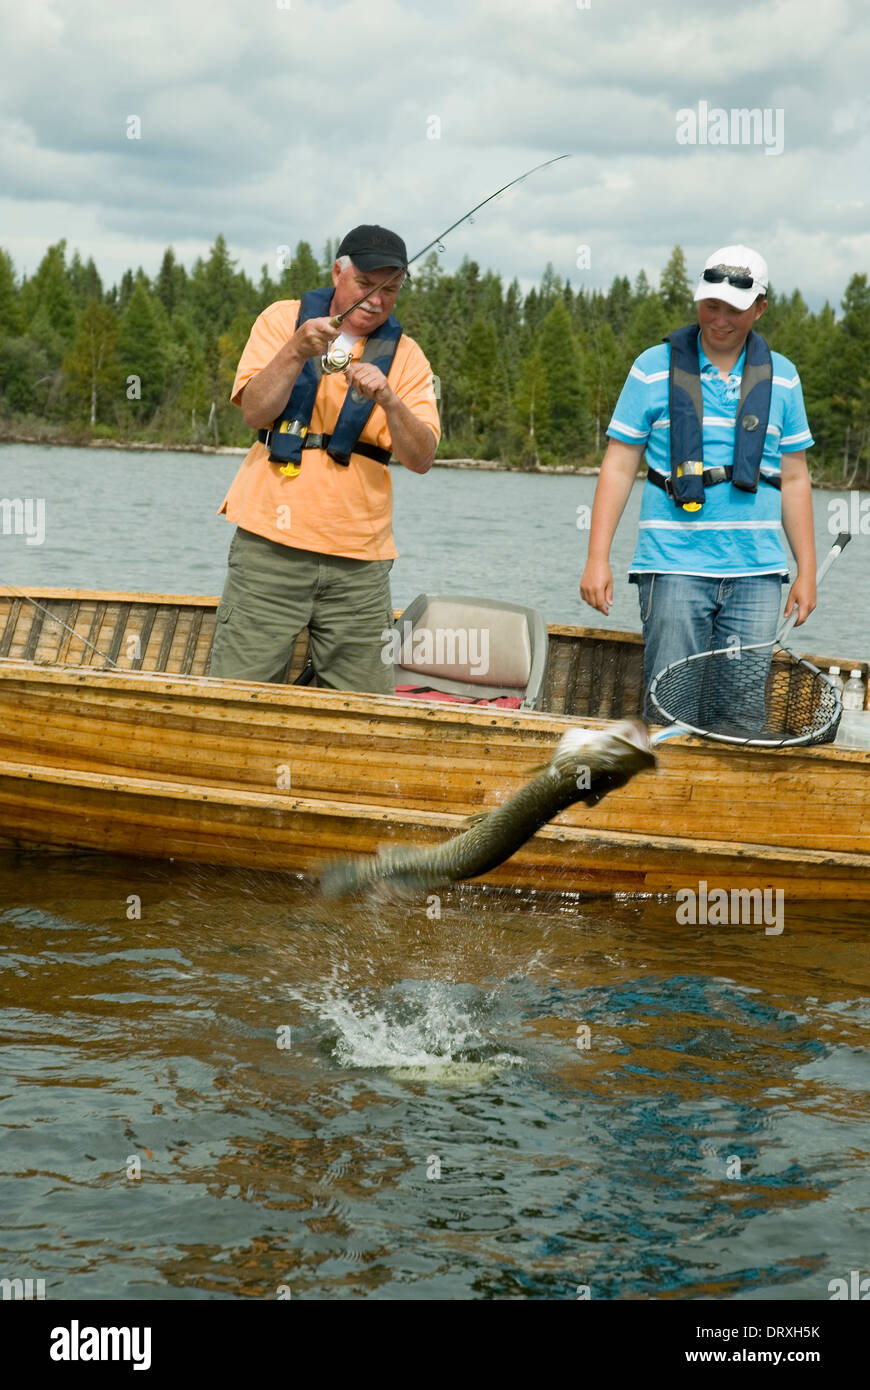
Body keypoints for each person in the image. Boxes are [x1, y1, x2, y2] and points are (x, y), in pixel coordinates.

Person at [580, 244, 816, 735]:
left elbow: (794, 479)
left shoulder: (785, 378)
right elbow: (619, 466)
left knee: (742, 715)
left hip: (758, 572)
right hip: (672, 567)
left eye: (734, 307)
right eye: (712, 304)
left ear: (760, 307)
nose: (720, 318)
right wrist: (597, 558)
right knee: (670, 708)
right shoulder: (652, 367)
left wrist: (806, 571)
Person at [209, 225, 440, 694]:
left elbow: (421, 458)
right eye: (366, 285)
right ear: (338, 272)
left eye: (390, 290)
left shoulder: (408, 357)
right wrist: (295, 350)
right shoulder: (282, 320)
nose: (377, 300)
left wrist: (391, 401)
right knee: (238, 694)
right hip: (269, 545)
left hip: (360, 560)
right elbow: (255, 410)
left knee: (364, 708)